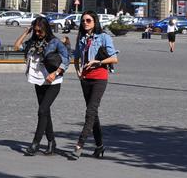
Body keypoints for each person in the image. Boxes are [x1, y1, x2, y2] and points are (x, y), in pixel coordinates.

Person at [13, 16, 70, 156]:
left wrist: (55, 73)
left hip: (53, 82)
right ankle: (52, 143)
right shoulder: (32, 42)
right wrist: (27, 32)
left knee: (42, 110)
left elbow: (67, 59)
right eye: (36, 31)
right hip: (38, 81)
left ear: (46, 29)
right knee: (45, 112)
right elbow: (16, 46)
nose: (38, 33)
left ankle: (35, 143)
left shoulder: (55, 42)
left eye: (40, 31)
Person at [71, 11, 119, 160]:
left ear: (95, 22)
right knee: (93, 114)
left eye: (89, 20)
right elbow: (77, 57)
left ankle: (80, 143)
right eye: (83, 20)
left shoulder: (104, 37)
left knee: (90, 111)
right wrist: (78, 70)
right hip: (85, 78)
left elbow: (114, 59)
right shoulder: (81, 39)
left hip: (99, 78)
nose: (85, 23)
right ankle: (99, 147)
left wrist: (98, 62)